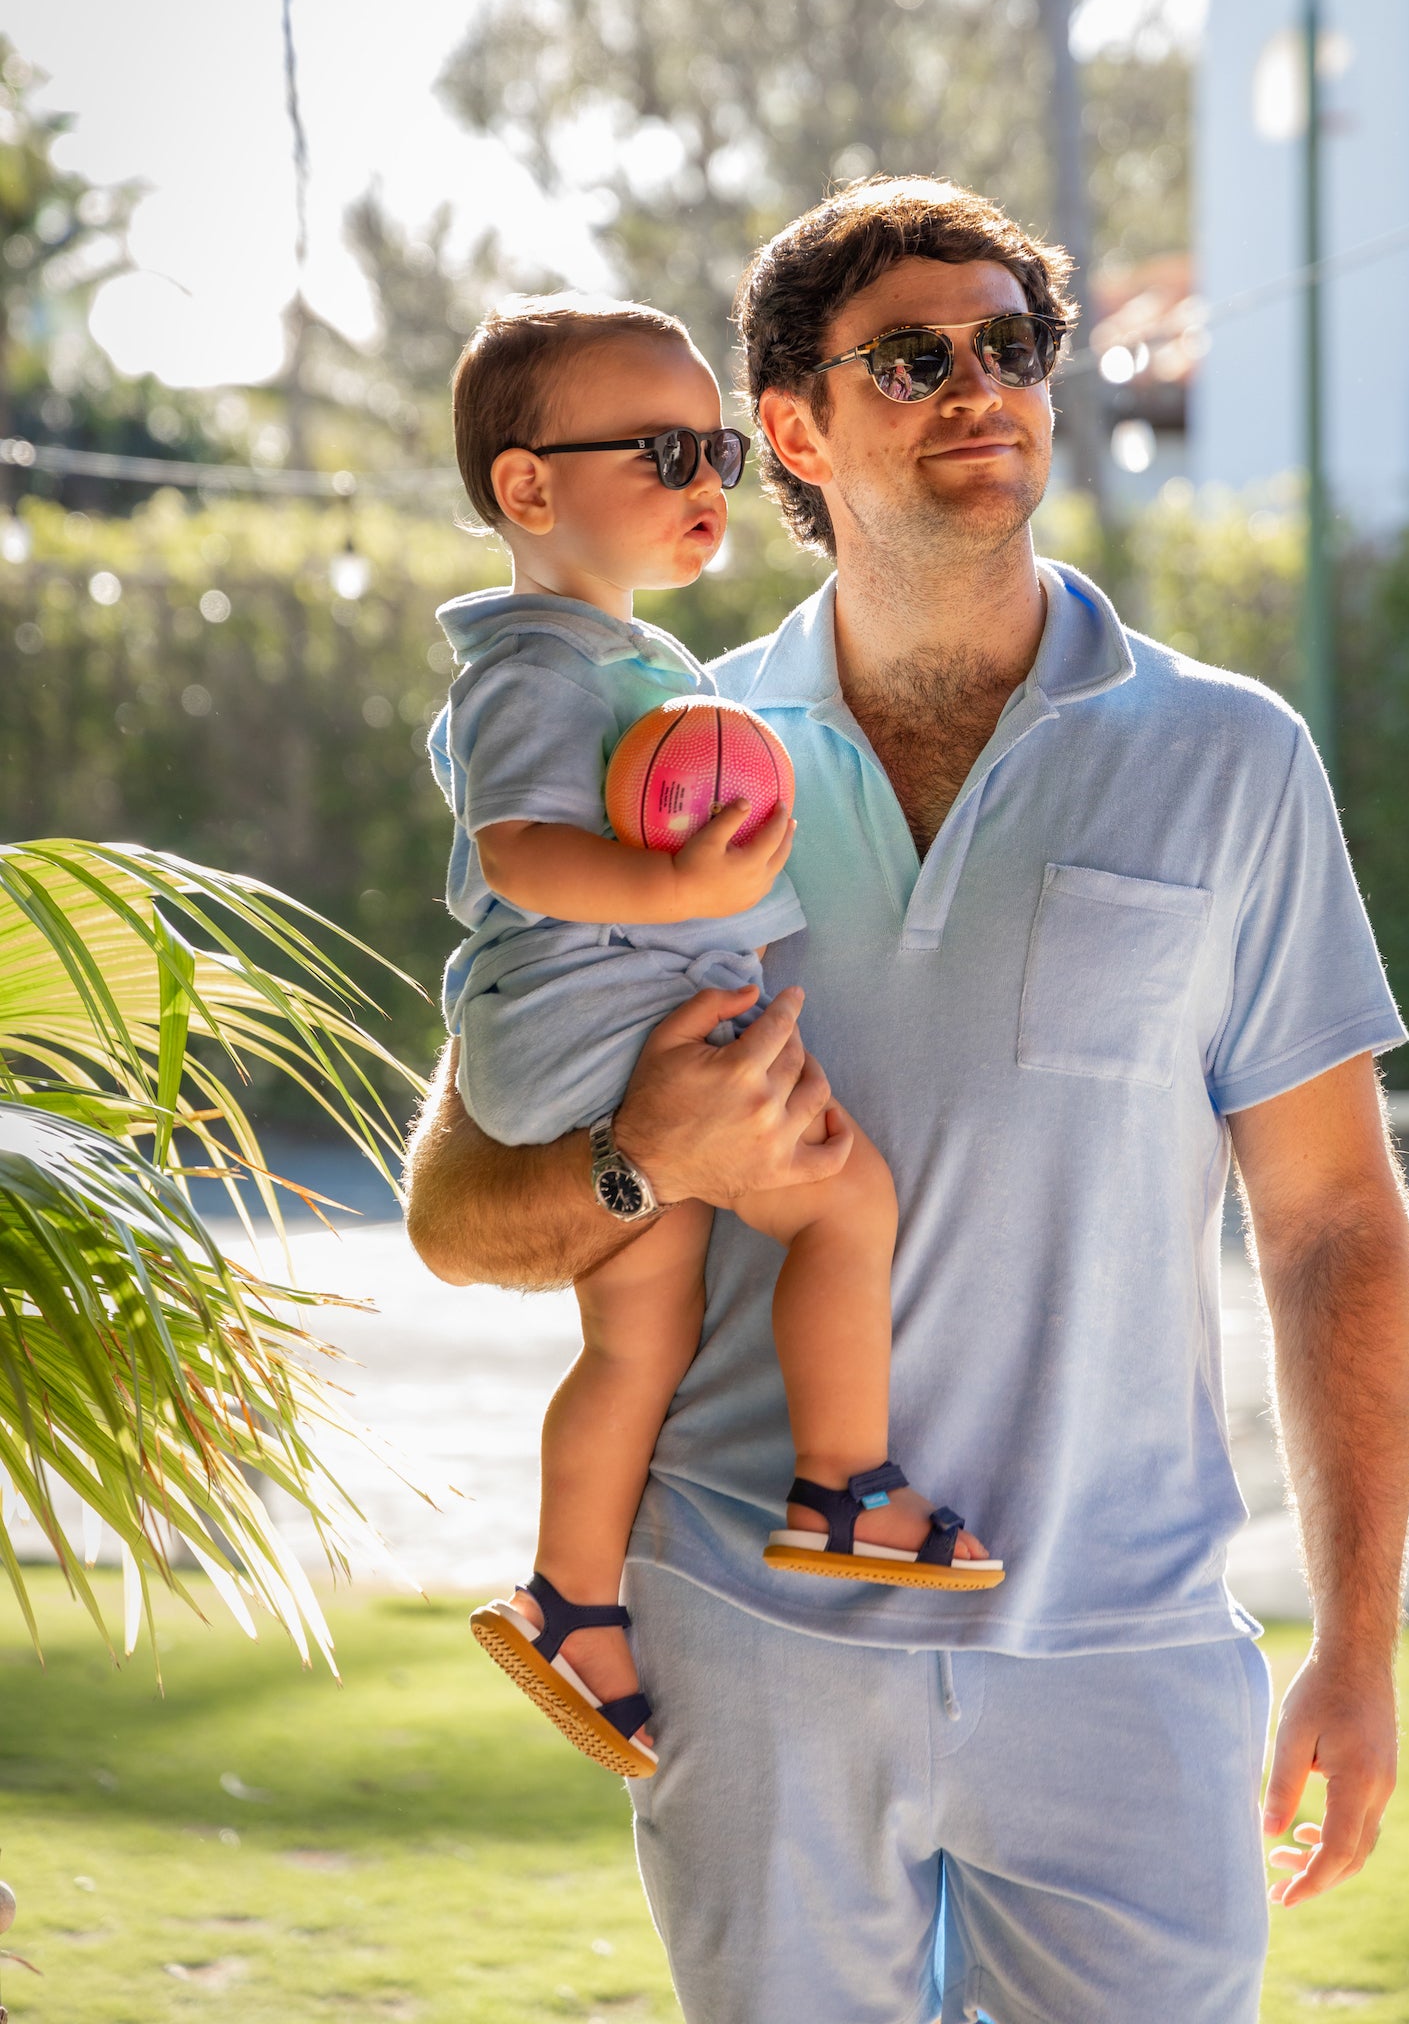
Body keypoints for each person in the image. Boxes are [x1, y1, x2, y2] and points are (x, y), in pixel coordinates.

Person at [405, 180, 1409, 2024]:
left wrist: (1355, 1648)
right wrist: (651, 1160)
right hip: (749, 1635)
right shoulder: (656, 749)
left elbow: (1333, 1221)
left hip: (1122, 1654)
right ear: (789, 426)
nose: (980, 387)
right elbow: (460, 1215)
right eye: (910, 356)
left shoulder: (1232, 757)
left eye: (1011, 346)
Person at [431, 294, 999, 1778]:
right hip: (609, 1033)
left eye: (719, 453)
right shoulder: (537, 666)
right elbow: (516, 856)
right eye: (665, 450)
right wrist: (682, 886)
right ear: (528, 486)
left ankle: (572, 1601)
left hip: (601, 1030)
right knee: (847, 1204)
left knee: (641, 1334)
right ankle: (844, 1484)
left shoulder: (619, 656)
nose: (704, 485)